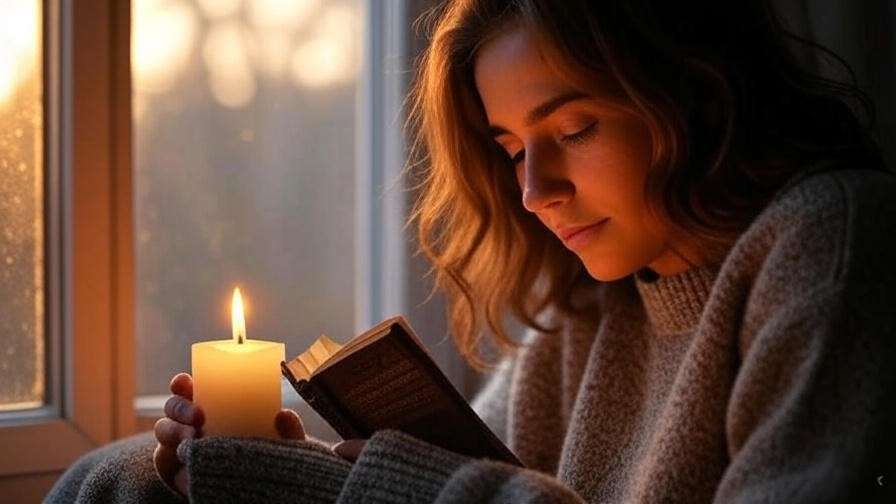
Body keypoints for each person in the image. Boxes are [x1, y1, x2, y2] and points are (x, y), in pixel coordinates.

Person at [49, 0, 896, 502]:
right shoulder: (592, 300)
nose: (536, 192)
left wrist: (355, 489)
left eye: (573, 128)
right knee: (131, 477)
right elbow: (463, 474)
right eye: (512, 147)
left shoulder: (828, 237)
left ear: (696, 91)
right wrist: (282, 467)